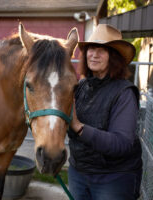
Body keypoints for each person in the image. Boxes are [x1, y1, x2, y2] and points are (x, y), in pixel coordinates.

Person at [68, 24, 143, 200]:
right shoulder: (81, 87)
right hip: (78, 172)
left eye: (102, 50)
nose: (94, 54)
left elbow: (122, 143)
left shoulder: (124, 93)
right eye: (91, 48)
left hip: (113, 177)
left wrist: (79, 127)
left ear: (114, 57)